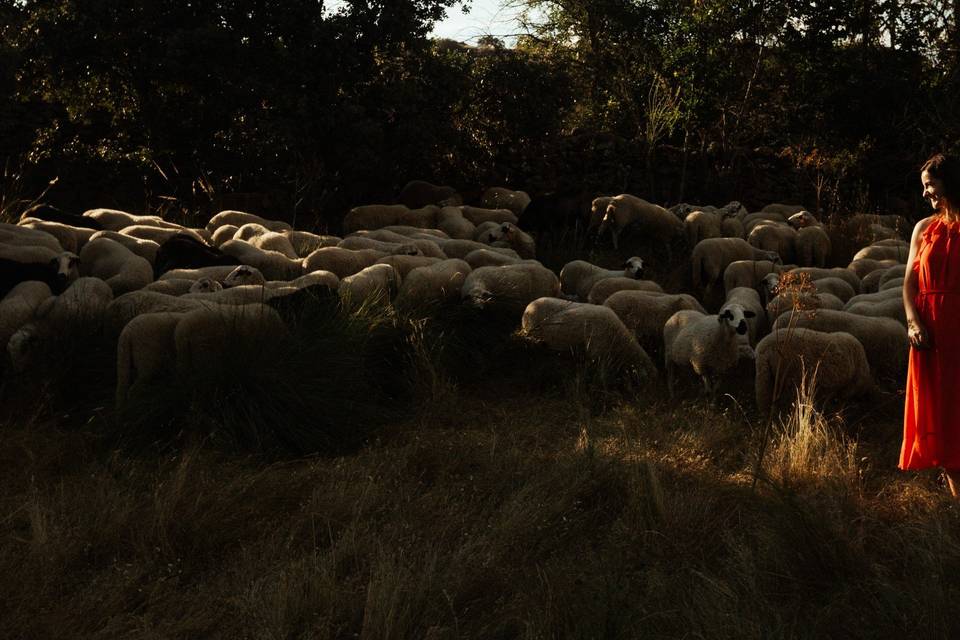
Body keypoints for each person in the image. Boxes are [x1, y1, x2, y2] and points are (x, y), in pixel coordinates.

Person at [901, 152, 960, 495]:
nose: (925, 193)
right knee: (939, 412)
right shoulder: (924, 229)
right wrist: (912, 322)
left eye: (930, 185)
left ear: (949, 183)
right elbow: (909, 283)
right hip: (931, 332)